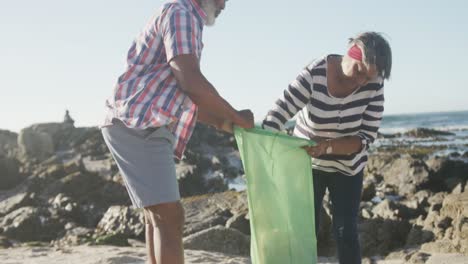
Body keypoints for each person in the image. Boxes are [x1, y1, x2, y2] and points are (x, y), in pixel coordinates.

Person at [101, 0, 254, 263]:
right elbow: (190, 80)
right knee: (170, 217)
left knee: (158, 217)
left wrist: (225, 123)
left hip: (137, 122)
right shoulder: (182, 14)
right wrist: (236, 115)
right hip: (139, 124)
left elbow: (181, 93)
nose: (224, 5)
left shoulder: (180, 14)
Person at [262, 32, 392, 264]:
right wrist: (264, 147)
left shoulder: (374, 85)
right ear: (351, 52)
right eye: (359, 71)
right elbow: (280, 112)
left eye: (369, 78)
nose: (361, 82)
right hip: (306, 164)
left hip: (348, 167)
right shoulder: (315, 74)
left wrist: (329, 147)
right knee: (304, 229)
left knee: (346, 231)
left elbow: (365, 137)